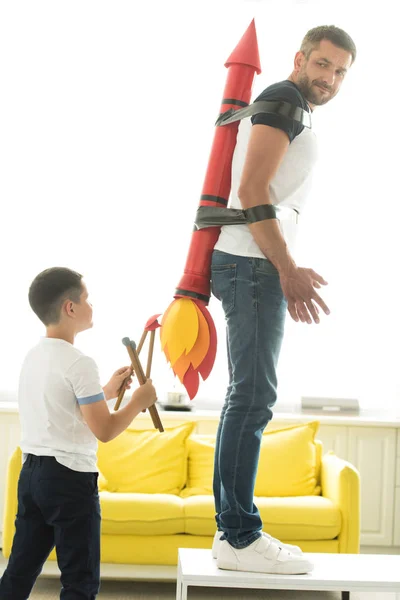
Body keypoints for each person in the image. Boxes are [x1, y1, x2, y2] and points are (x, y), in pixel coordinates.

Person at [211, 25, 356, 574]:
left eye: (340, 72)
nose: (330, 78)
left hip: (256, 264)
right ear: (300, 59)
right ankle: (239, 536)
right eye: (322, 64)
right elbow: (251, 193)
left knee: (249, 398)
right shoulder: (282, 100)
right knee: (251, 400)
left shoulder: (294, 105)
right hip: (252, 264)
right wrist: (286, 269)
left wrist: (284, 269)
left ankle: (235, 532)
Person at [0, 267, 157, 599]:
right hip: (69, 481)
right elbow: (105, 429)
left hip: (32, 476)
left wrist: (108, 392)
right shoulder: (79, 362)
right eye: (87, 299)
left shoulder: (33, 355)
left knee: (19, 571)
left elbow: (61, 405)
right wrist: (137, 402)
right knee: (79, 582)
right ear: (69, 307)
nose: (91, 306)